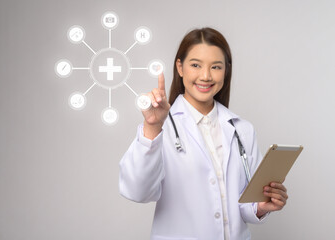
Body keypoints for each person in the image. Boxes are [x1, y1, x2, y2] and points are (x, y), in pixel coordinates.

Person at [119, 28, 288, 240]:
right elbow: (137, 191)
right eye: (195, 65)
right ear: (180, 67)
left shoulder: (242, 129)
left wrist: (261, 207)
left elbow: (243, 205)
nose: (206, 76)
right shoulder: (162, 127)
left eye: (216, 67)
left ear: (226, 71)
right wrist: (152, 127)